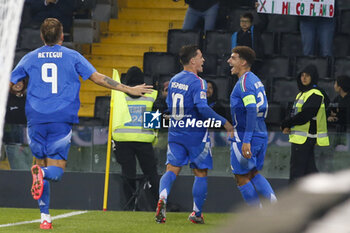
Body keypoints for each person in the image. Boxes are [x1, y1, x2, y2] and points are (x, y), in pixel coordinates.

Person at [10, 18, 152, 229]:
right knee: (54, 171)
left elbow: (12, 82)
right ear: (62, 36)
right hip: (61, 118)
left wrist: (18, 87)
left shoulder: (29, 58)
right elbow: (98, 78)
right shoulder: (72, 56)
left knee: (38, 164)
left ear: (41, 36)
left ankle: (45, 218)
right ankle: (43, 176)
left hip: (36, 118)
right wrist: (128, 89)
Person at [155, 45, 233, 224]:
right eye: (201, 57)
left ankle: (163, 196)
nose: (203, 60)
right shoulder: (198, 82)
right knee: (200, 172)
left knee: (171, 169)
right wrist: (225, 122)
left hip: (175, 132)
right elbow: (202, 107)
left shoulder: (173, 80)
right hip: (195, 133)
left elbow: (169, 103)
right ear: (192, 61)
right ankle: (196, 214)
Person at [227, 46, 277, 207]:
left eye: (233, 58)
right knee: (253, 173)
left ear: (243, 62)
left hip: (246, 135)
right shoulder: (255, 80)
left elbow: (251, 109)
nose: (229, 61)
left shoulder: (245, 84)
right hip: (261, 133)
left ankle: (259, 218)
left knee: (241, 177)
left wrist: (246, 139)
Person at [112, 66, 159, 211]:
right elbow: (154, 122)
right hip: (144, 140)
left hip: (122, 139)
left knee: (128, 175)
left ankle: (129, 206)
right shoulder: (152, 95)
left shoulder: (119, 95)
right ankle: (158, 205)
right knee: (151, 175)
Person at [281, 64, 329, 183]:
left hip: (305, 138)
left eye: (307, 75)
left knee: (297, 173)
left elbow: (305, 115)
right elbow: (294, 113)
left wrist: (286, 123)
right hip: (301, 138)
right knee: (310, 172)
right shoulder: (302, 94)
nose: (304, 78)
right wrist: (287, 124)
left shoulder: (315, 94)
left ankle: (293, 199)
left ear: (313, 77)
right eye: (302, 75)